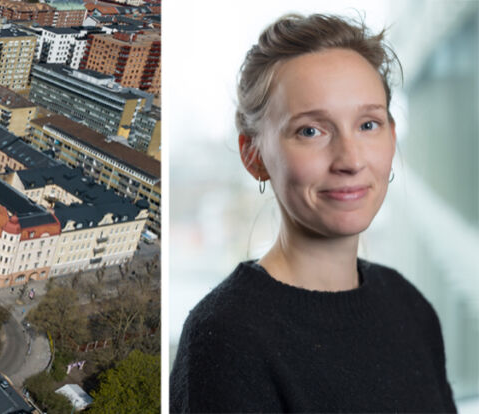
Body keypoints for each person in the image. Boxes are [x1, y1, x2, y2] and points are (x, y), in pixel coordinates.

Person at [169, 14, 456, 413]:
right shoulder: (225, 339)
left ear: (392, 135)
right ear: (253, 155)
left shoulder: (411, 308)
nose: (350, 159)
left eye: (368, 124)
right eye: (310, 131)